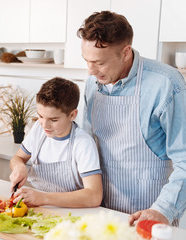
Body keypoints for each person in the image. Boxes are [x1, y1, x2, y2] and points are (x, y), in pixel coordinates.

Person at [78, 11, 186, 225]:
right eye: (87, 61)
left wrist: (163, 210)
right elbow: (85, 146)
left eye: (99, 62)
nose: (90, 71)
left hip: (149, 214)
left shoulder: (165, 84)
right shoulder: (93, 84)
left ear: (125, 52)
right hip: (102, 212)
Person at [9, 77, 102, 208]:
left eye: (53, 120)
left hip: (71, 212)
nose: (45, 125)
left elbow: (94, 196)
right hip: (38, 207)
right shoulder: (38, 129)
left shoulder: (83, 143)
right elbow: (18, 157)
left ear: (72, 115)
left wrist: (43, 198)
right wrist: (19, 167)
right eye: (41, 116)